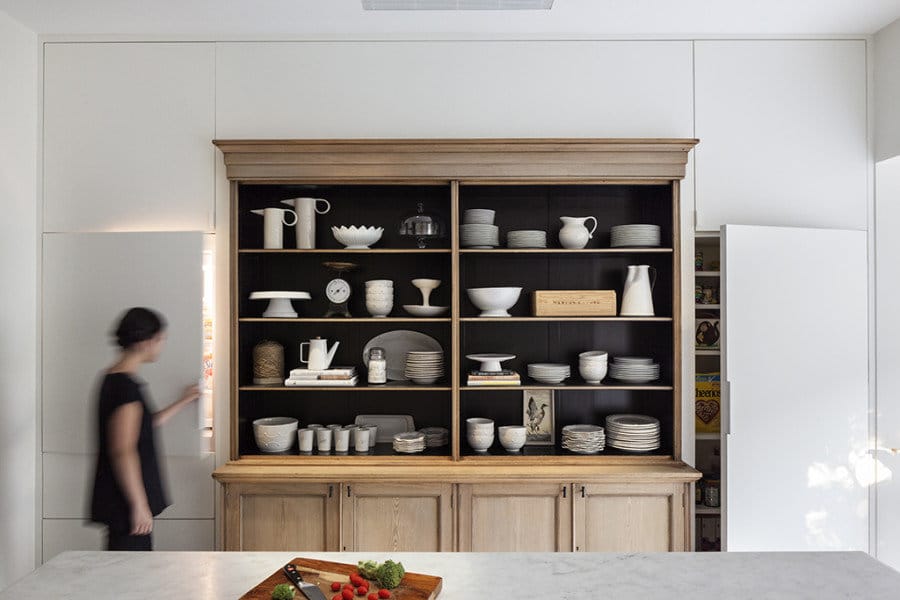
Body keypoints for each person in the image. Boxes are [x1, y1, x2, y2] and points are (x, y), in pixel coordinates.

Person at [90, 307, 200, 551]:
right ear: (147, 341)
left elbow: (145, 425)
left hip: (121, 504)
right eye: (161, 339)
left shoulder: (112, 380)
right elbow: (123, 450)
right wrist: (139, 505)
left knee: (125, 574)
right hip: (126, 506)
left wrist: (183, 400)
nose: (161, 345)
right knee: (129, 578)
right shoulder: (126, 388)